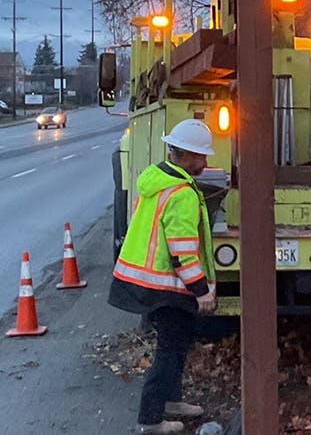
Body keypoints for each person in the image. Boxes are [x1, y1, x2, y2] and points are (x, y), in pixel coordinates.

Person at [108, 118, 217, 435]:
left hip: (148, 282)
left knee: (176, 344)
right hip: (166, 286)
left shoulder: (157, 180)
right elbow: (182, 251)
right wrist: (201, 291)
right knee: (169, 350)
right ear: (185, 154)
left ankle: (171, 401)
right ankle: (150, 419)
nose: (205, 163)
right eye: (201, 156)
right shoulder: (181, 194)